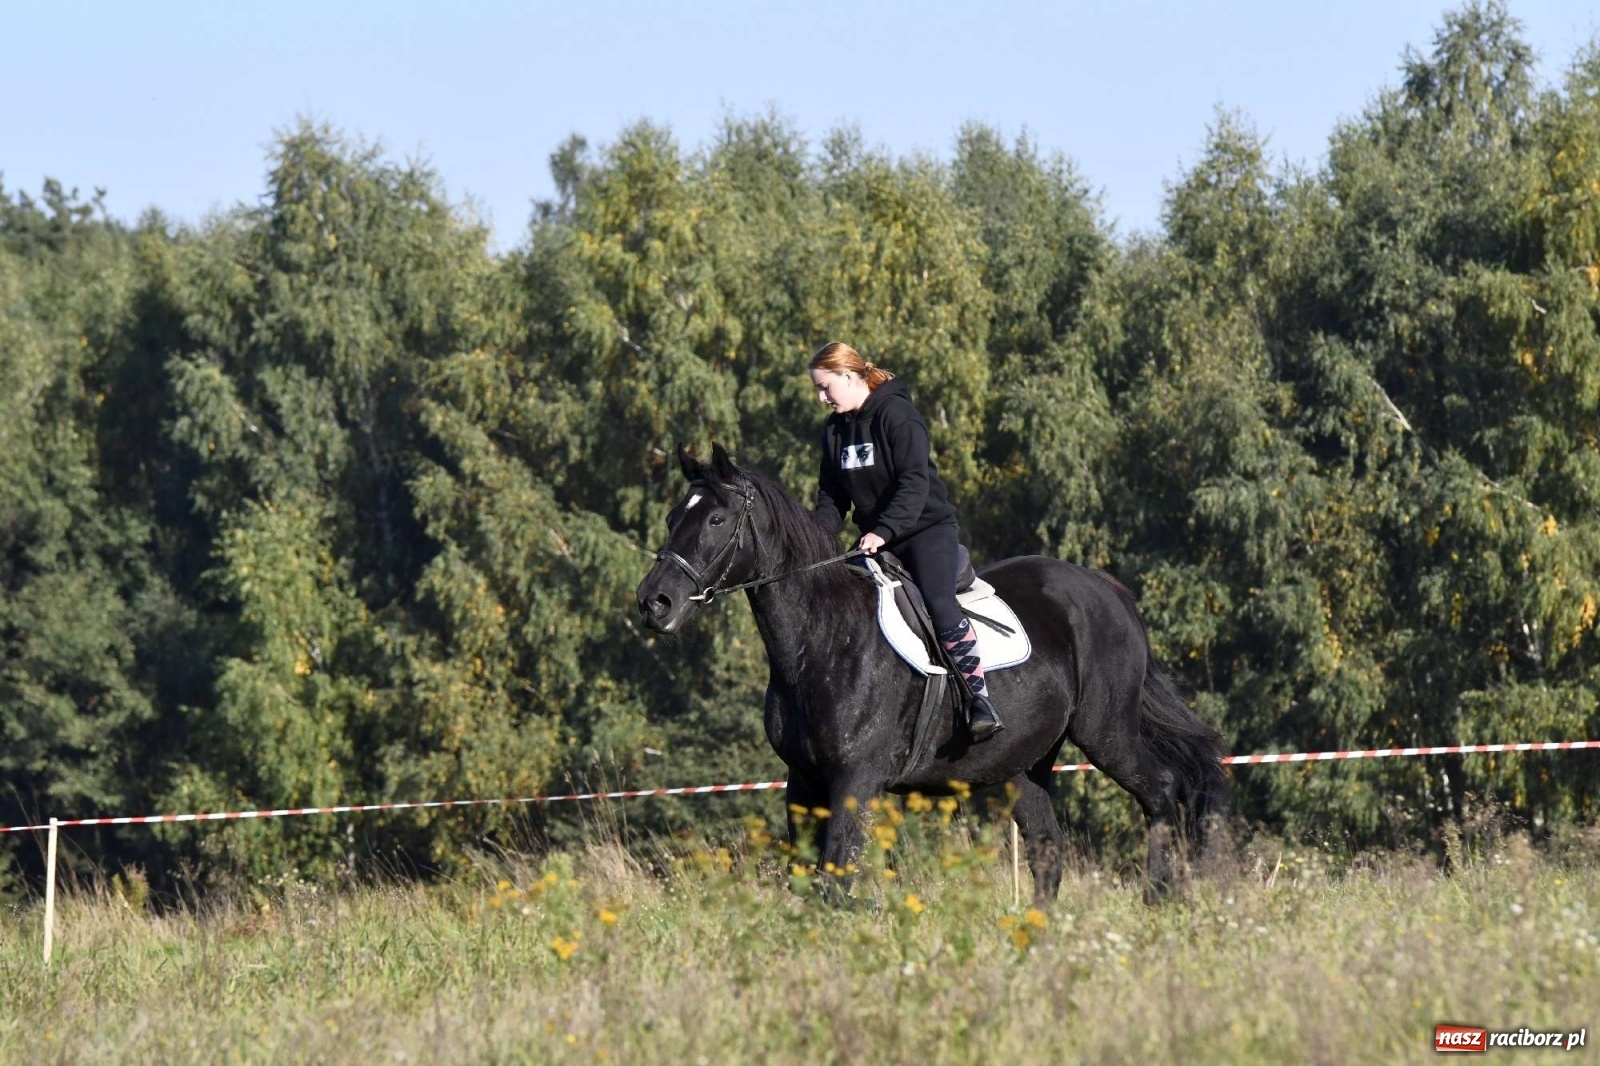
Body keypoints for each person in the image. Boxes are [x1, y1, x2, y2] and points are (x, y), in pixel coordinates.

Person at [808, 341, 1003, 741]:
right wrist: (814, 540)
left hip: (924, 530)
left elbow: (914, 483)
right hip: (874, 540)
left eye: (826, 387)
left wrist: (883, 531)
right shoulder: (833, 432)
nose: (821, 397)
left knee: (938, 601)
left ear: (849, 376)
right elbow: (831, 499)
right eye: (818, 389)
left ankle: (979, 699)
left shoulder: (898, 415)